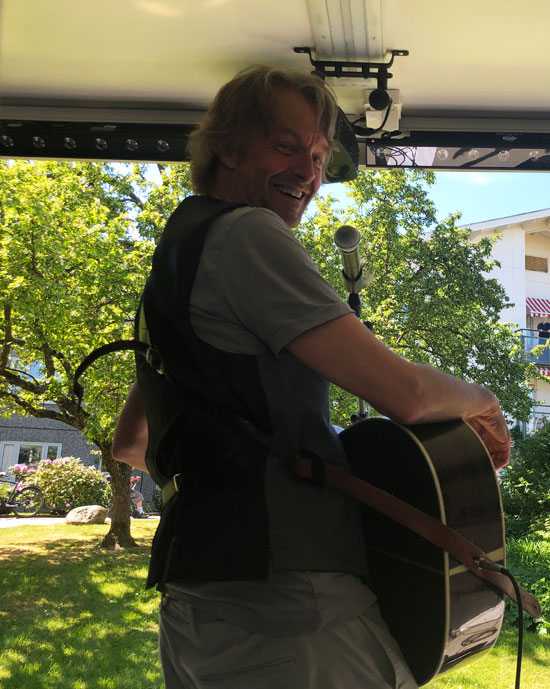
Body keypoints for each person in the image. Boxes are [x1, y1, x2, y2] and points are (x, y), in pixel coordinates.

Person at [111, 65, 510, 689]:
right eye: (286, 145)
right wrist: (482, 401)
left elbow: (131, 443)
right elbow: (405, 395)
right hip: (290, 611)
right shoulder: (246, 233)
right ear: (228, 146)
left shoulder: (174, 263)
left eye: (319, 156)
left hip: (196, 607)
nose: (308, 171)